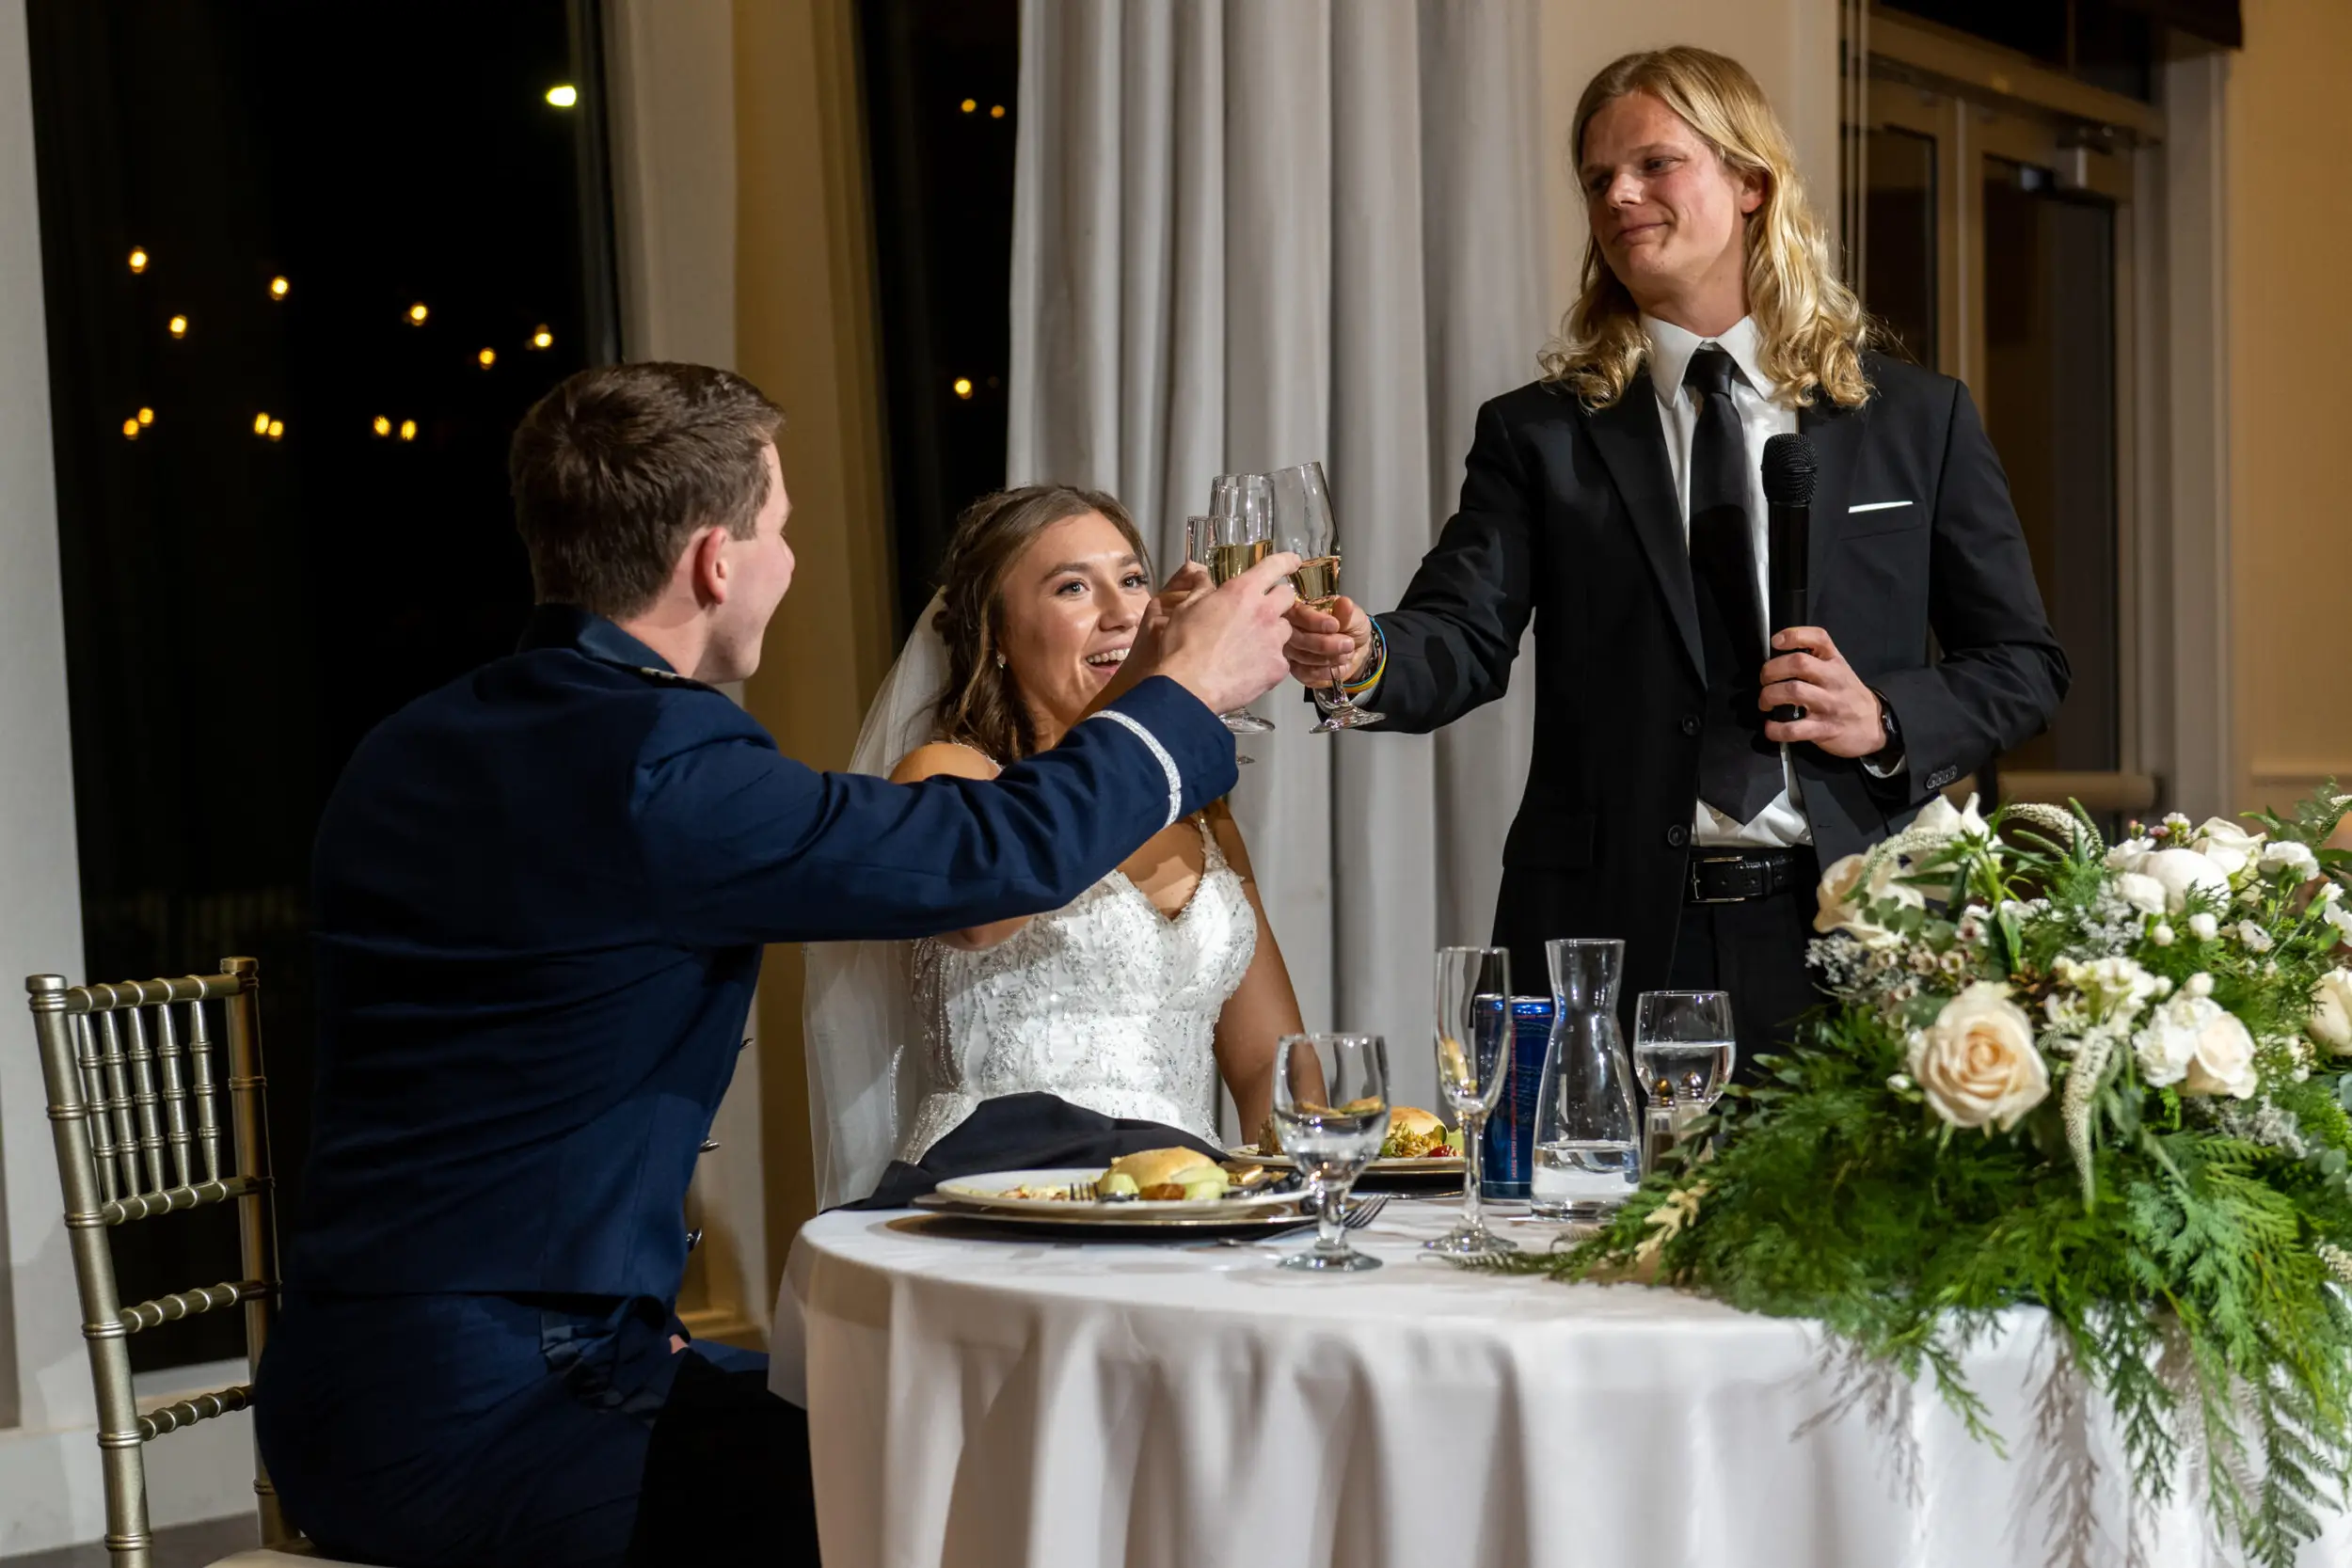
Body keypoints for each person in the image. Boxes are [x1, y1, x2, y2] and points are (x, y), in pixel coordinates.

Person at [251, 362, 1301, 1568]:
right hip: (494, 1416)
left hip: (361, 1379)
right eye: (781, 526)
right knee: (976, 1488)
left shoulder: (411, 741)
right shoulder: (663, 766)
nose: (790, 560)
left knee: (904, 1417)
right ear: (714, 560)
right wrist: (1184, 692)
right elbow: (990, 856)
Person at [1284, 46, 2068, 1072]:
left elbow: (2020, 662)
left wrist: (1883, 718)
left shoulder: (1916, 420)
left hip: (1860, 938)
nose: (1619, 194)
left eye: (1655, 164)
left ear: (1750, 182)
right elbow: (1463, 635)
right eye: (1598, 177)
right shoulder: (1541, 434)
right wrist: (1364, 654)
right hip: (1606, 947)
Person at [803, 486, 1306, 1206]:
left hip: (1178, 1200)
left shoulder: (1201, 810)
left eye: (1132, 579)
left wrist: (1302, 1187)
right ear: (996, 635)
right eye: (1074, 586)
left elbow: (1269, 1058)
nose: (1122, 611)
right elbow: (982, 910)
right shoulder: (949, 775)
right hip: (996, 1188)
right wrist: (1148, 709)